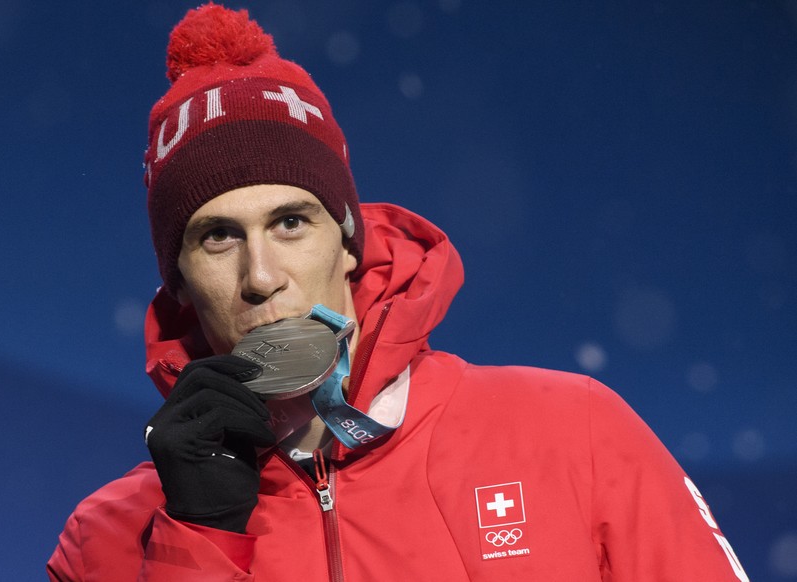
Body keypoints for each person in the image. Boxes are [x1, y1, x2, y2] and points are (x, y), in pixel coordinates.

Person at [48, 4, 749, 580]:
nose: (261, 276)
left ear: (349, 239)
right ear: (177, 279)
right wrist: (195, 545)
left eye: (291, 223)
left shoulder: (572, 434)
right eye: (217, 238)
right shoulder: (107, 539)